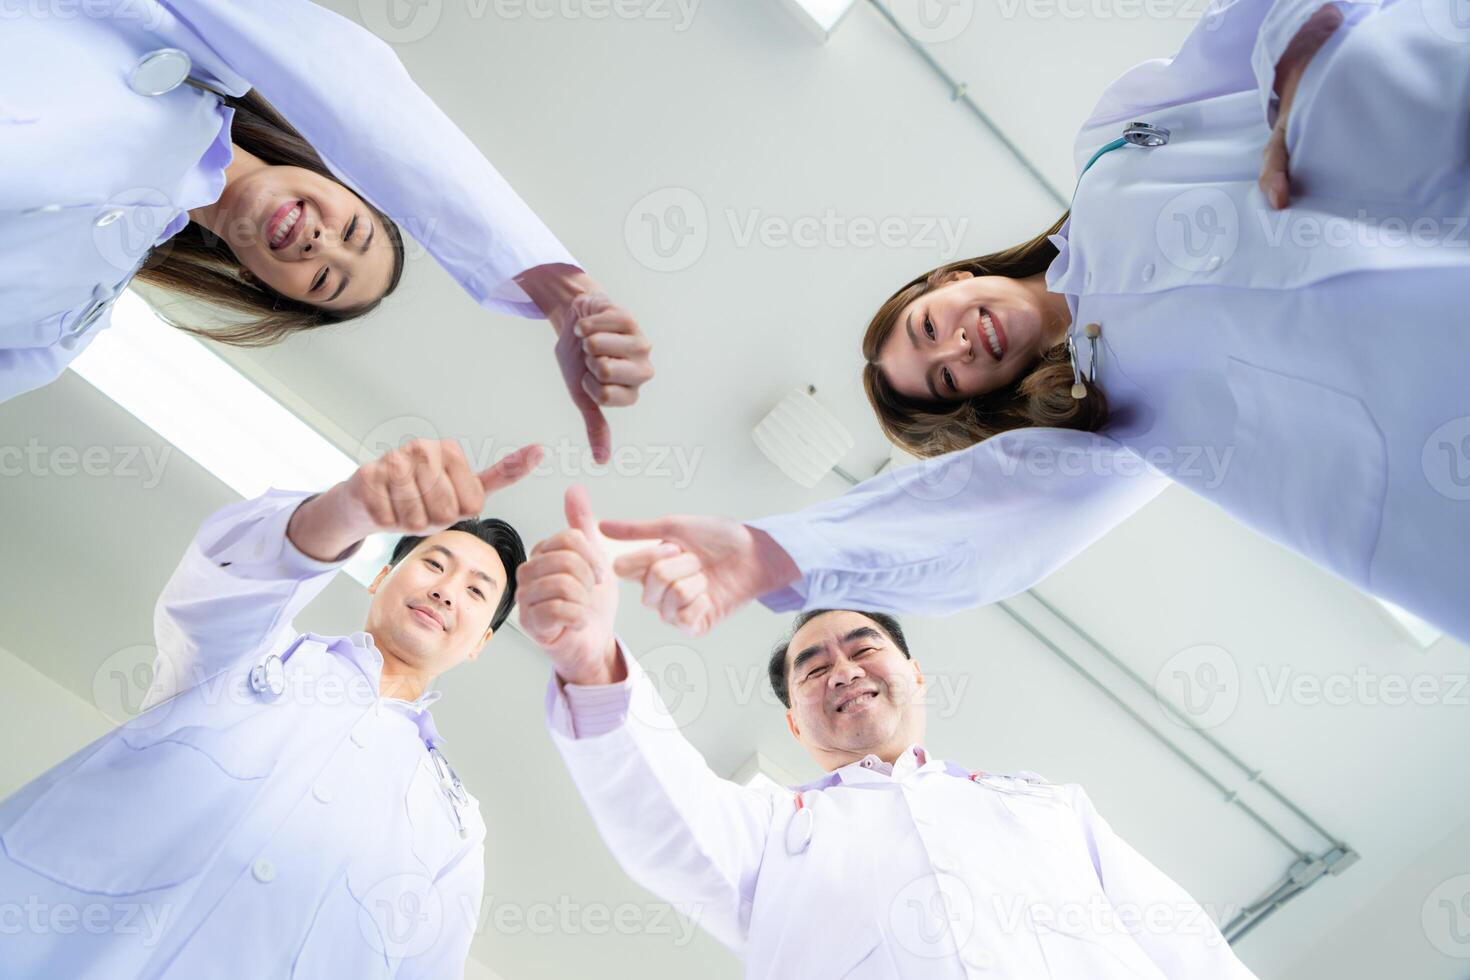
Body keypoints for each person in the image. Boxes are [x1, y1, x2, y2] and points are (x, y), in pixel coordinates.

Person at [599, 0, 1470, 643]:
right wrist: (783, 552)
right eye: (946, 381)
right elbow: (988, 523)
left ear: (947, 278)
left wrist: (1312, 75)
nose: (954, 347)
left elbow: (1256, 28)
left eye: (925, 327)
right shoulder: (1117, 413)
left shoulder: (1112, 151)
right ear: (984, 396)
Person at [518, 490, 1259, 978]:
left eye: (862, 647)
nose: (840, 668)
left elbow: (1179, 938)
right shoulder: (771, 829)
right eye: (812, 667)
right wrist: (592, 666)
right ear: (794, 724)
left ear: (916, 674)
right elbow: (666, 818)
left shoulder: (1051, 806)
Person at [2, 0, 652, 462]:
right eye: (355, 230)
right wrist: (552, 284)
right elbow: (357, 86)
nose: (323, 245)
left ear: (262, 284)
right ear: (344, 176)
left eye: (322, 279)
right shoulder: (196, 44)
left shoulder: (66, 325)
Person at [0, 438, 544, 978]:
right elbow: (218, 589)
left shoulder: (456, 829)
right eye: (435, 564)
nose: (447, 591)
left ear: (480, 643)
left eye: (477, 592)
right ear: (381, 577)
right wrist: (344, 511)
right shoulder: (251, 653)